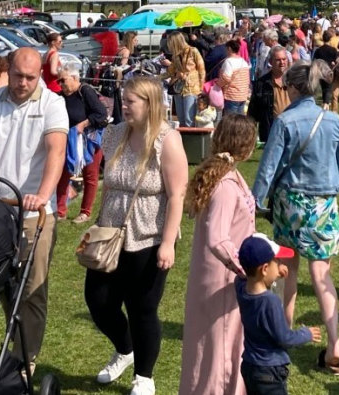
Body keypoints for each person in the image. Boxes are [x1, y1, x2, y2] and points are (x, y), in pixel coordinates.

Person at [0, 48, 68, 370]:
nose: (23, 82)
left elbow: (56, 152)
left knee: (32, 289)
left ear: (39, 76)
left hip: (35, 212)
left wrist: (42, 194)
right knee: (4, 285)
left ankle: (24, 362)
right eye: (18, 75)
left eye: (30, 77)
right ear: (8, 70)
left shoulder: (53, 104)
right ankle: (14, 351)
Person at [252, 60, 339, 375]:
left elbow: (268, 168)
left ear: (296, 88)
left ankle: (283, 333)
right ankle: (335, 346)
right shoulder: (333, 120)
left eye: (286, 86)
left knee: (287, 270)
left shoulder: (285, 122)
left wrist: (254, 202)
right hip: (325, 206)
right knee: (322, 275)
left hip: (290, 205)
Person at [86, 76, 188, 395]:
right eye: (123, 100)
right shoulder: (114, 133)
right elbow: (107, 180)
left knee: (142, 307)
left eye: (131, 101)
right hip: (109, 232)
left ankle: (145, 376)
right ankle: (125, 350)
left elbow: (177, 195)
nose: (123, 106)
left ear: (150, 103)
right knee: (99, 301)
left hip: (149, 234)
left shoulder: (166, 139)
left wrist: (168, 242)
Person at [180, 114, 257, 395]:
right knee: (219, 350)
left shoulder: (228, 175)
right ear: (246, 146)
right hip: (222, 279)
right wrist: (247, 269)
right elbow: (217, 238)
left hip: (222, 277)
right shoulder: (225, 185)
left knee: (224, 346)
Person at [235, 234, 322, 395]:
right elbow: (284, 337)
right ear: (265, 269)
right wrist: (306, 334)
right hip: (270, 372)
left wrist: (274, 272)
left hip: (249, 366)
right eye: (277, 262)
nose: (280, 265)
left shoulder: (241, 289)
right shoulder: (271, 302)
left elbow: (243, 277)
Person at [57, 61, 109, 223]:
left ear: (73, 78)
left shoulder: (85, 91)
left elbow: (101, 114)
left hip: (90, 140)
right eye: (59, 81)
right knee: (62, 175)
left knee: (90, 176)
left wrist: (84, 124)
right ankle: (60, 211)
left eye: (63, 80)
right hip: (69, 140)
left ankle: (85, 212)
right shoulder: (60, 97)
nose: (61, 84)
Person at [248, 46, 291, 144]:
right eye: (278, 60)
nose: (282, 63)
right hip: (271, 130)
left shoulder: (295, 81)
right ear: (271, 62)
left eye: (284, 59)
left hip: (292, 128)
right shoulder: (261, 83)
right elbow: (253, 111)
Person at [167, 32, 205, 127]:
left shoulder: (193, 51)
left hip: (191, 88)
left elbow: (201, 70)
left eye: (170, 43)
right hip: (179, 89)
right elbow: (170, 72)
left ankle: (190, 140)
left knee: (189, 119)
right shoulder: (175, 55)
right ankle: (183, 140)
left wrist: (201, 88)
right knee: (181, 119)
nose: (169, 46)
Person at [217, 39, 252, 115]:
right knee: (239, 121)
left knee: (230, 121)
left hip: (231, 95)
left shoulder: (229, 61)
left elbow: (226, 78)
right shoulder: (243, 62)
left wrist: (218, 84)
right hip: (242, 95)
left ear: (229, 49)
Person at [312, 31, 338, 110]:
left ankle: (325, 102)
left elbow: (314, 61)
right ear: (330, 39)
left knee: (324, 88)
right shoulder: (333, 50)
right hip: (330, 71)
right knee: (328, 89)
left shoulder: (318, 50)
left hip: (321, 71)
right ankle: (326, 104)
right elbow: (335, 61)